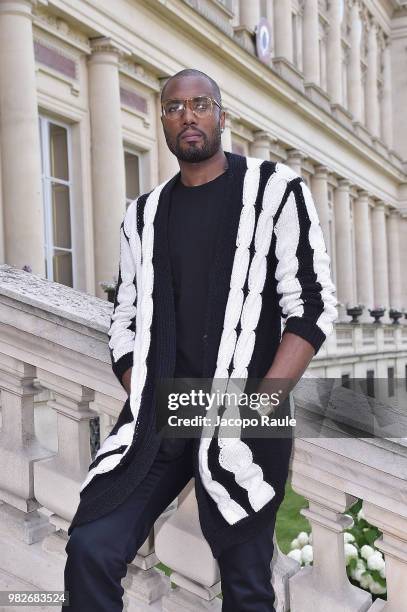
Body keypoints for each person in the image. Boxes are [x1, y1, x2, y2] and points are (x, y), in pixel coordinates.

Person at [63, 68, 338, 611]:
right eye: (173, 107)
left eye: (200, 104)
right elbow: (125, 319)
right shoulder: (142, 216)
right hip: (164, 414)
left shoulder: (276, 190)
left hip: (244, 414)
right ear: (163, 121)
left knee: (246, 582)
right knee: (91, 545)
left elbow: (310, 307)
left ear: (221, 116)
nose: (188, 115)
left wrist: (259, 407)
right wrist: (145, 393)